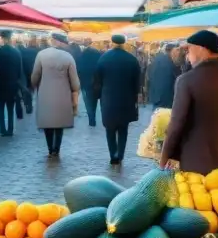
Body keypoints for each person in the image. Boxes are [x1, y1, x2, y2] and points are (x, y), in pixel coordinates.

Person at [160, 30, 218, 174]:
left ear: (201, 49)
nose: (188, 56)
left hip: (198, 162)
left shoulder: (186, 81)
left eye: (189, 50)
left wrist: (164, 158)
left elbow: (176, 125)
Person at [93, 35, 142, 165]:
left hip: (108, 99)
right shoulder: (132, 59)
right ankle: (120, 154)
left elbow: (97, 81)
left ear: (112, 43)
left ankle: (113, 155)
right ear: (124, 43)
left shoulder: (103, 58)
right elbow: (137, 81)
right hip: (126, 98)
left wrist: (98, 96)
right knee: (123, 129)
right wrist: (137, 95)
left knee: (110, 129)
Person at [32, 32, 80, 157]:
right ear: (61, 42)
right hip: (63, 94)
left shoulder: (41, 55)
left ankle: (50, 148)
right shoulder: (68, 57)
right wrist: (75, 92)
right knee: (59, 124)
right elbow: (74, 81)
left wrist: (35, 85)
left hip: (45, 93)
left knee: (48, 123)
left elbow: (35, 76)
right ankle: (56, 148)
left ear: (53, 41)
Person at [0, 29, 25, 136]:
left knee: (0, 108)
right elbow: (20, 71)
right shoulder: (16, 52)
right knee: (10, 108)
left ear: (3, 38)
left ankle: (2, 129)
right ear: (10, 38)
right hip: (12, 84)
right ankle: (10, 129)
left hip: (0, 84)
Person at [147, 43, 181, 109]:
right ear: (173, 51)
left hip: (156, 96)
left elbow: (149, 75)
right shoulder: (172, 62)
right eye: (177, 51)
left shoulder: (156, 59)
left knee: (157, 116)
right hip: (167, 98)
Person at [77, 40, 103, 127]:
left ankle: (92, 120)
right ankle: (97, 118)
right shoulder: (99, 55)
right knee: (95, 101)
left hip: (85, 82)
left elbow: (79, 70)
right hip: (97, 82)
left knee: (88, 102)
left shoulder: (82, 55)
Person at [19, 38, 39, 114]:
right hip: (34, 73)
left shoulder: (23, 51)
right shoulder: (38, 51)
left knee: (26, 89)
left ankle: (27, 102)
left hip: (24, 73)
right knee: (31, 89)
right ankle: (30, 104)